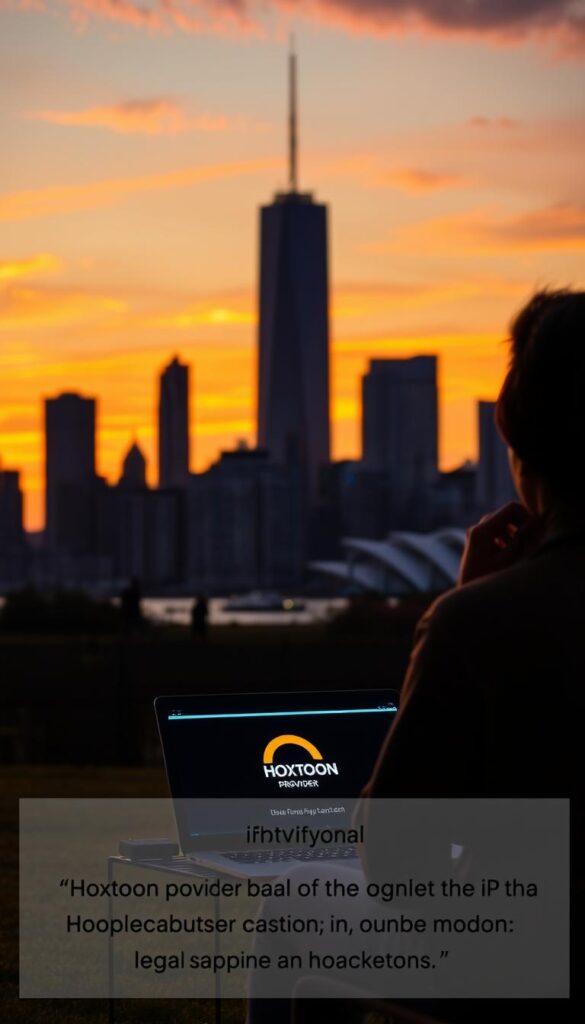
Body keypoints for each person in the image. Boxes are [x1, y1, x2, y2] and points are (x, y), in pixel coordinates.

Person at [247, 289, 584, 1023]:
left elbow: (399, 863)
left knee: (302, 893)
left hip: (521, 974)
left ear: (521, 455)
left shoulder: (481, 625)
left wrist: (460, 613)